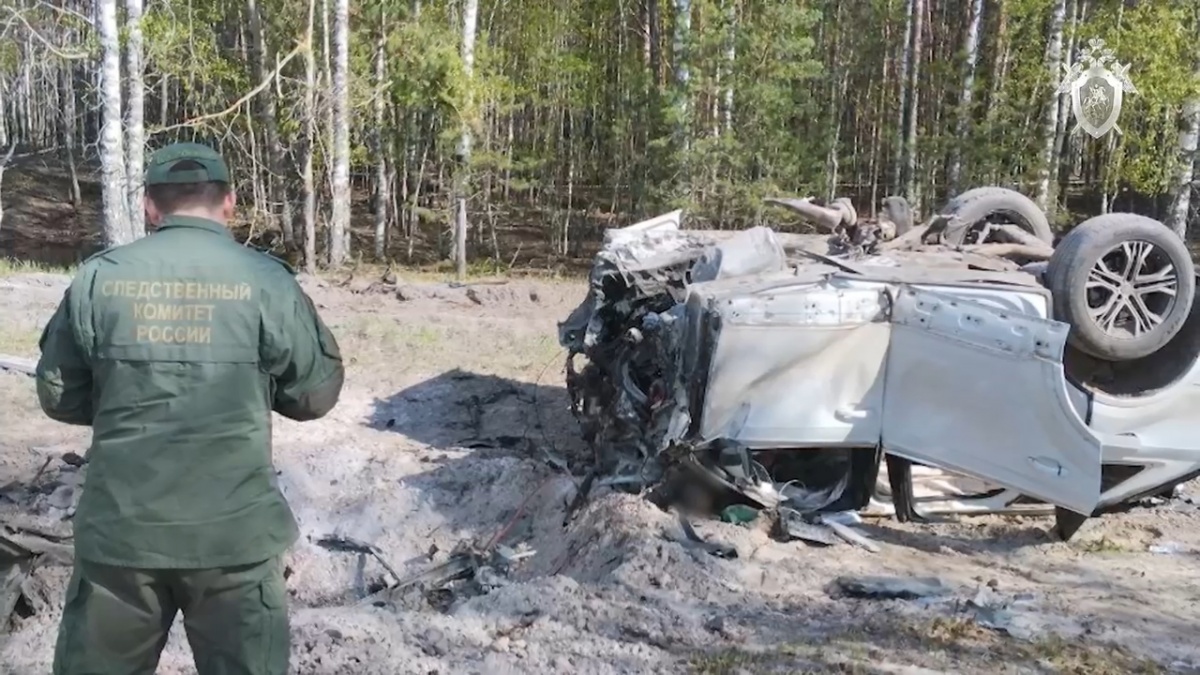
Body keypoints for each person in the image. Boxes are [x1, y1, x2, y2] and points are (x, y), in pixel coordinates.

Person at [35, 142, 344, 675]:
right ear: (229, 203)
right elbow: (315, 395)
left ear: (151, 208)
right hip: (234, 541)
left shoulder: (98, 279)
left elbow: (59, 394)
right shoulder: (265, 281)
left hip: (121, 541)